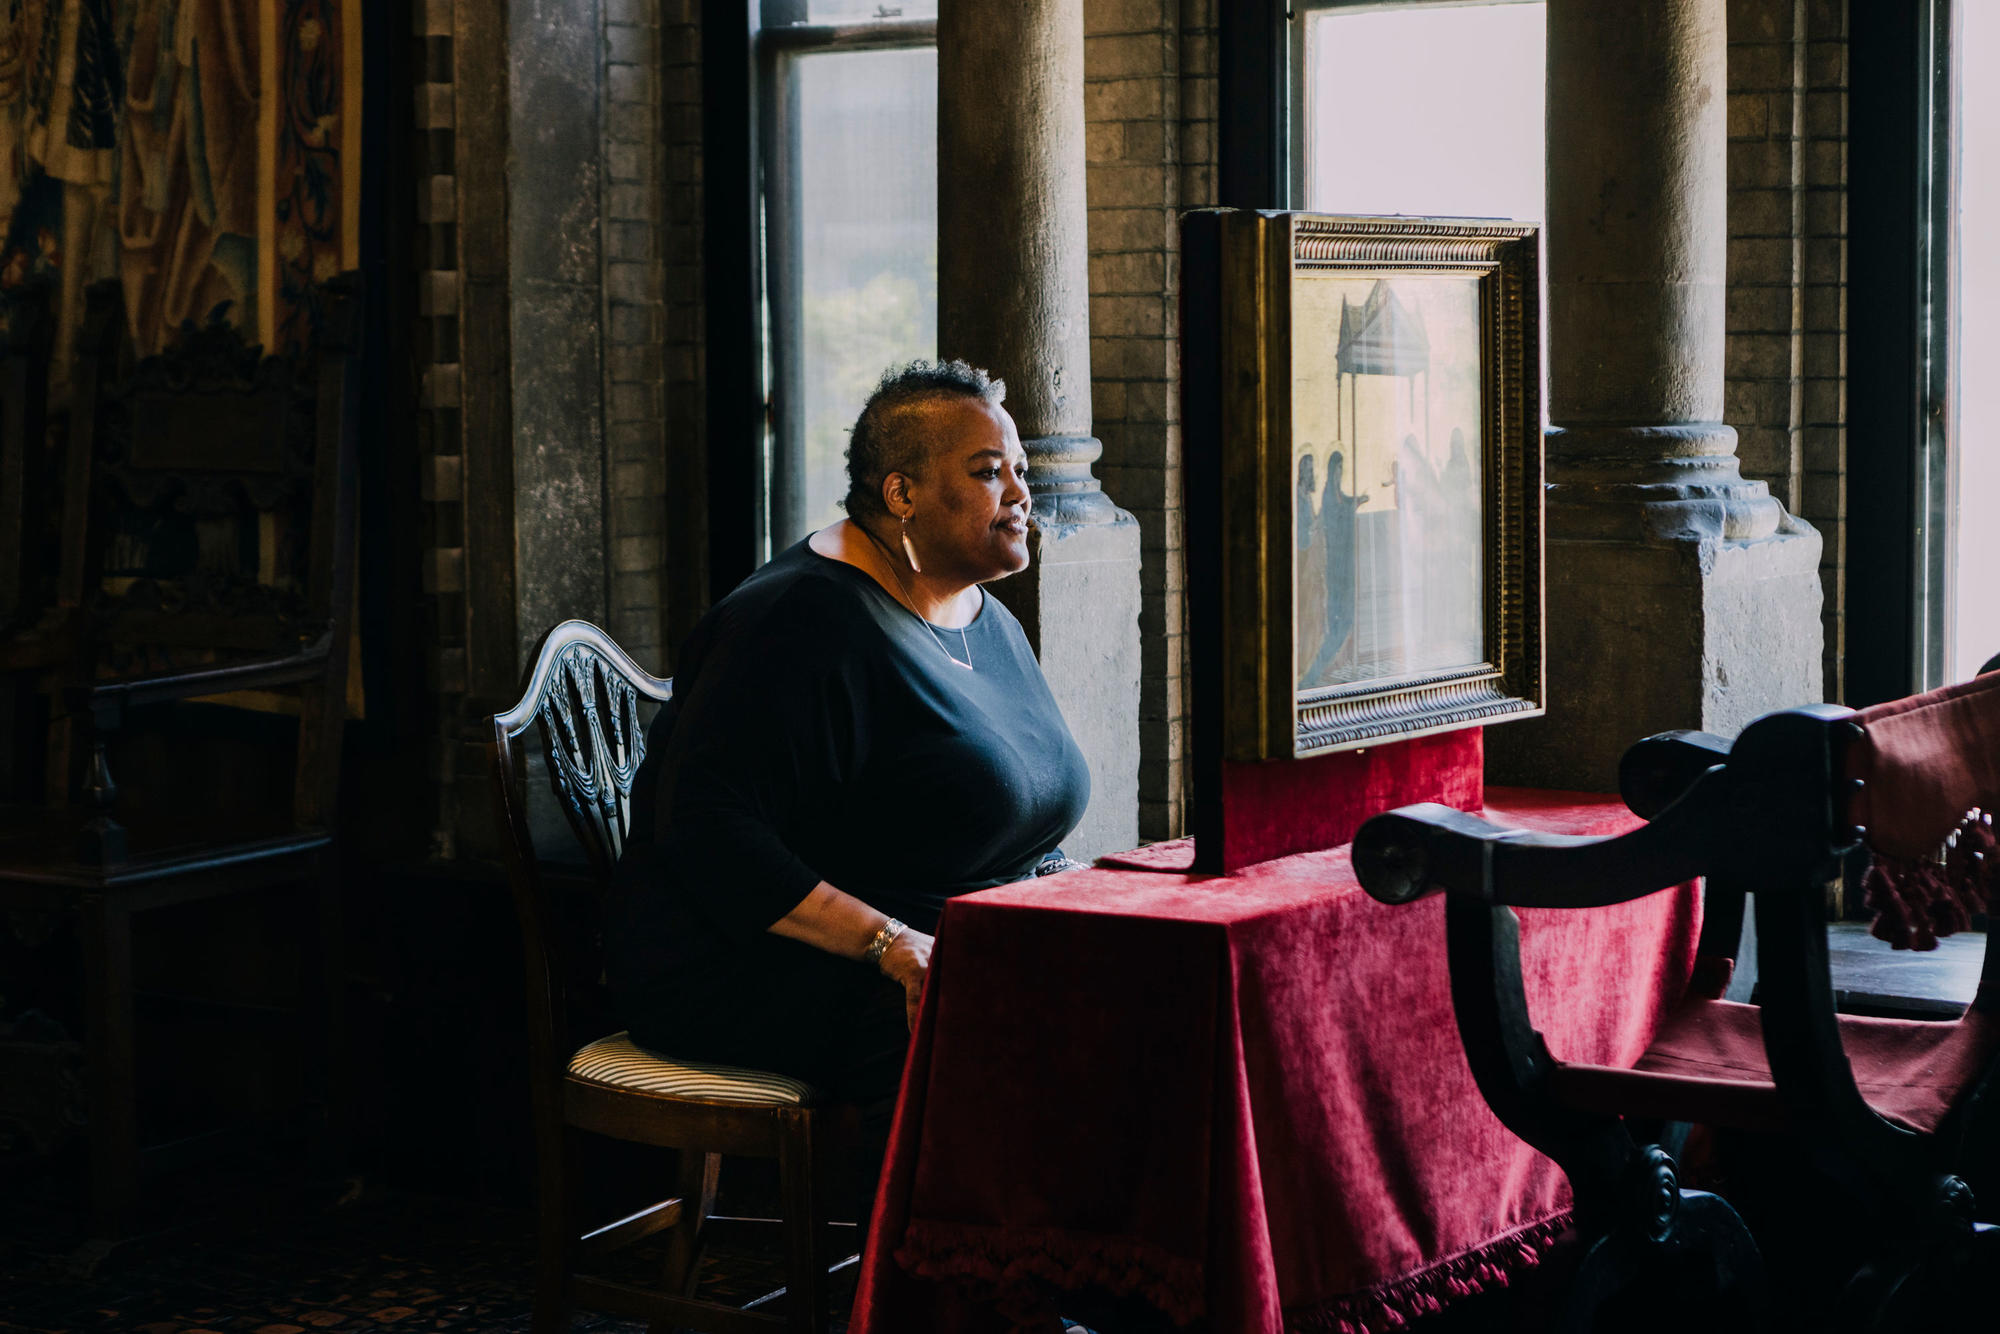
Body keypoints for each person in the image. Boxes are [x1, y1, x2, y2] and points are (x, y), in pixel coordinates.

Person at [604, 359, 1091, 1211]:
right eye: (986, 473)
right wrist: (888, 942)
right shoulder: (794, 621)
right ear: (900, 493)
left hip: (945, 941)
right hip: (754, 963)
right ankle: (949, 1292)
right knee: (990, 1024)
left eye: (1018, 469)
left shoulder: (981, 612)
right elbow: (707, 833)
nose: (1021, 493)